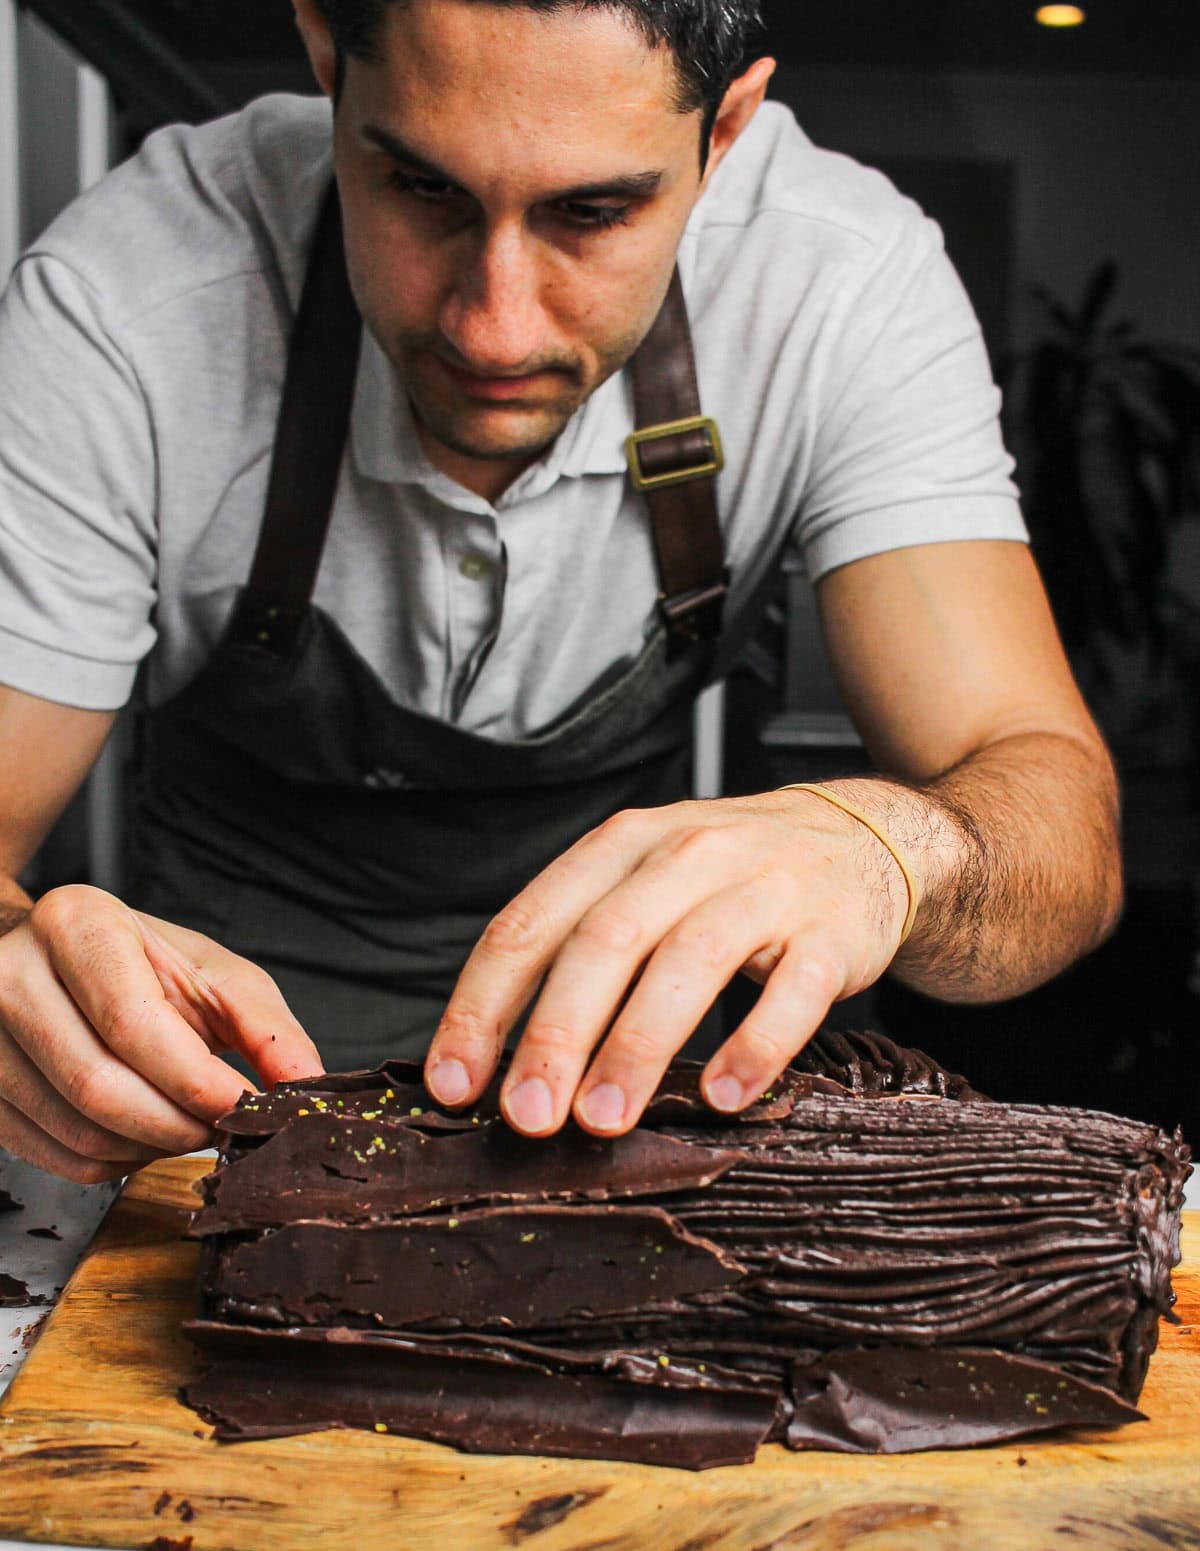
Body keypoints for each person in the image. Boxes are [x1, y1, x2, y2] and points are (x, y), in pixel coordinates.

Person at [0, 0, 1120, 1184]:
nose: (494, 324)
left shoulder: (843, 283)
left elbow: (1063, 825)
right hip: (220, 1094)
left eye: (594, 212)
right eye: (422, 189)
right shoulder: (125, 295)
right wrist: (16, 963)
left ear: (726, 128)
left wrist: (894, 849)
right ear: (327, 57)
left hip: (628, 1090)